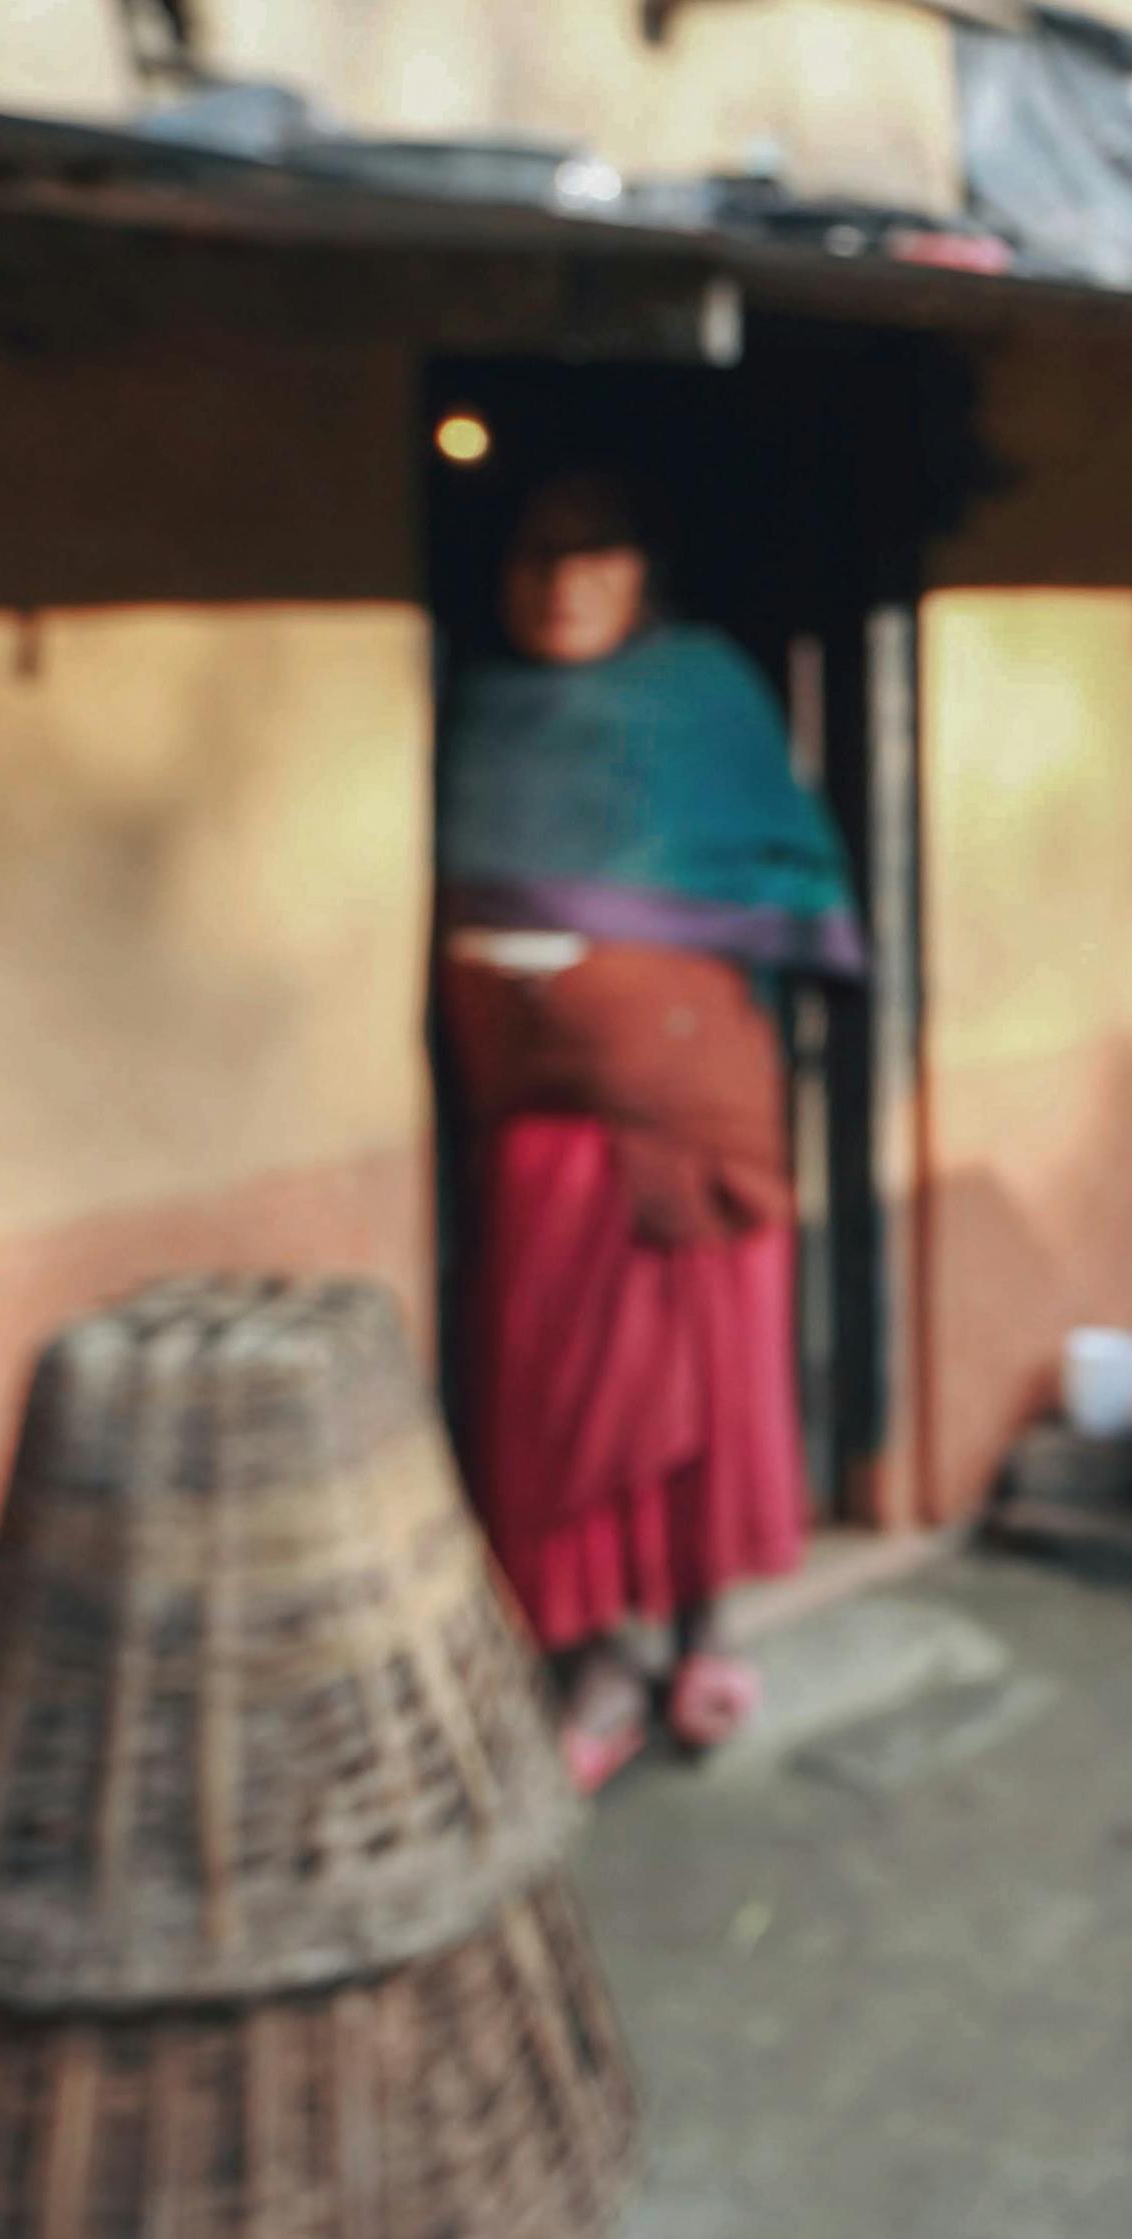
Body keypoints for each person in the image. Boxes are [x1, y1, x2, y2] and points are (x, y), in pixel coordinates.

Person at [434, 472, 853, 1788]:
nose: (560, 586)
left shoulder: (702, 694)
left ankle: (701, 1624)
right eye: (533, 557)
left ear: (640, 570)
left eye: (591, 553)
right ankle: (597, 1654)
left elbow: (778, 861)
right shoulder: (482, 709)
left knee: (709, 1369)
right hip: (545, 1132)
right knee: (563, 1389)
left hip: (690, 1115)